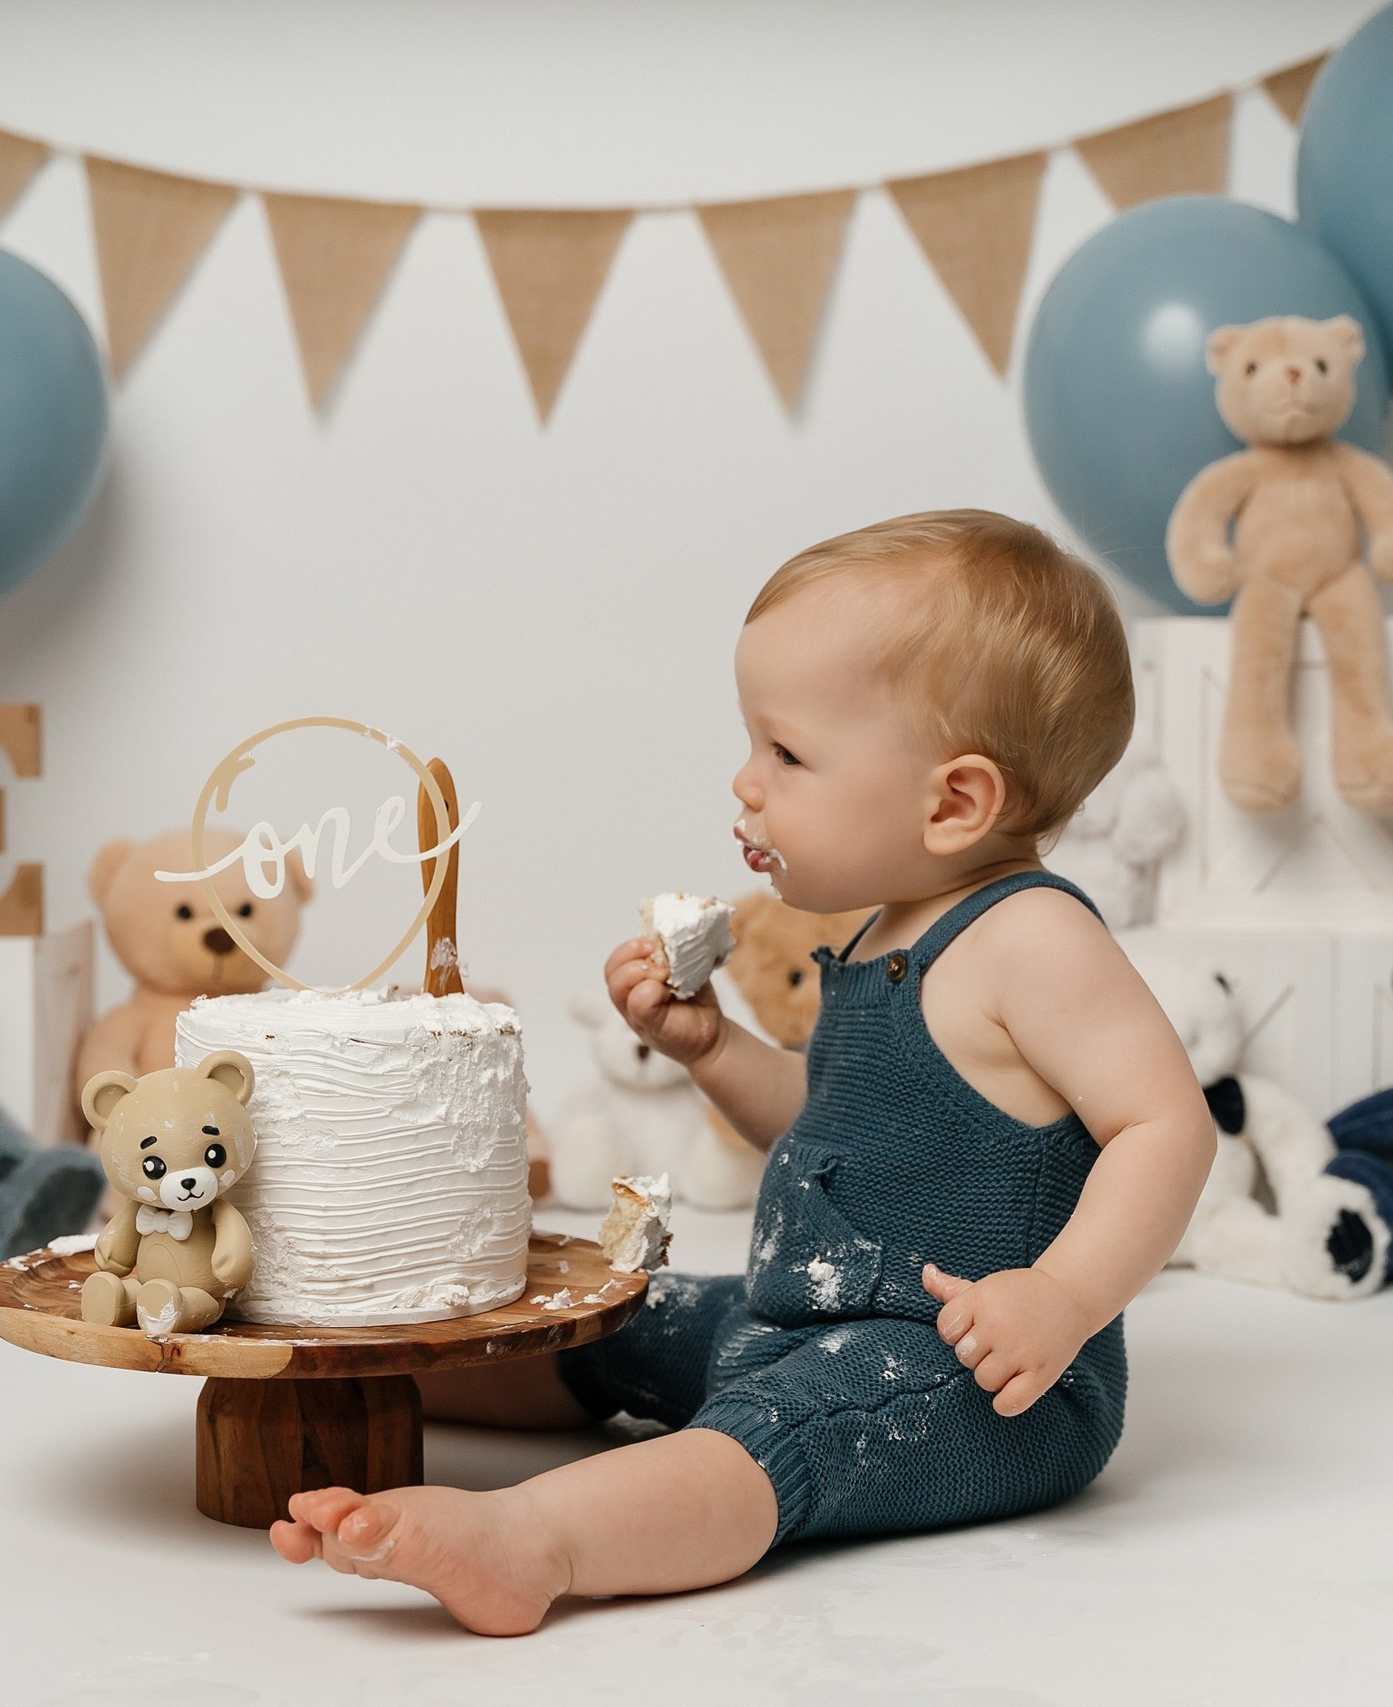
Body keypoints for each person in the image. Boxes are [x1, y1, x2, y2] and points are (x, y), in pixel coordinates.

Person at [271, 510, 1215, 1634]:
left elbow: (1166, 1127)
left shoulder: (1031, 940)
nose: (746, 781)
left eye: (787, 753)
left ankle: (539, 1540)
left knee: (782, 1432)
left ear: (953, 802)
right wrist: (713, 1050)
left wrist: (1060, 1300)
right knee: (620, 1319)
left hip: (968, 1375)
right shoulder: (884, 934)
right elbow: (832, 1139)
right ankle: (360, 1378)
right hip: (793, 1314)